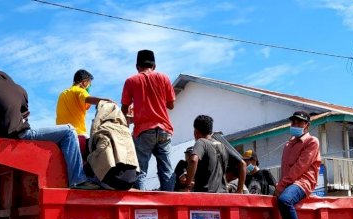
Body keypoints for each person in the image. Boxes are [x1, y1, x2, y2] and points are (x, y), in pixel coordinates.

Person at [0, 70, 98, 190]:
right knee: (69, 131)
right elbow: (25, 116)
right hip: (19, 134)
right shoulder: (20, 90)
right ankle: (78, 180)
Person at [121, 49, 176, 191]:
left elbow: (124, 108)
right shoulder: (164, 78)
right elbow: (171, 105)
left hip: (143, 131)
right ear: (154, 65)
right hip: (164, 129)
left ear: (137, 66)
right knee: (166, 169)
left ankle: (141, 204)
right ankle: (169, 202)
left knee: (141, 170)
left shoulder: (131, 81)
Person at [275, 111, 321, 219]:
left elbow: (300, 167)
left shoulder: (312, 141)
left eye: (299, 122)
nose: (295, 125)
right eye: (293, 122)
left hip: (303, 182)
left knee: (285, 200)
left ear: (307, 125)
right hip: (289, 182)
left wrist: (282, 186)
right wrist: (280, 184)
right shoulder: (289, 144)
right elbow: (285, 168)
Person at [56, 69, 113, 135]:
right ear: (85, 82)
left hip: (60, 133)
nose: (89, 87)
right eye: (90, 85)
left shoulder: (62, 94)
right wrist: (105, 101)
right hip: (77, 133)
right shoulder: (80, 90)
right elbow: (88, 99)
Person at [179, 115, 228, 193]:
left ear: (196, 132)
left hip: (205, 196)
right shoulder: (221, 145)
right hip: (222, 194)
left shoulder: (201, 142)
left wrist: (187, 186)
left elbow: (193, 160)